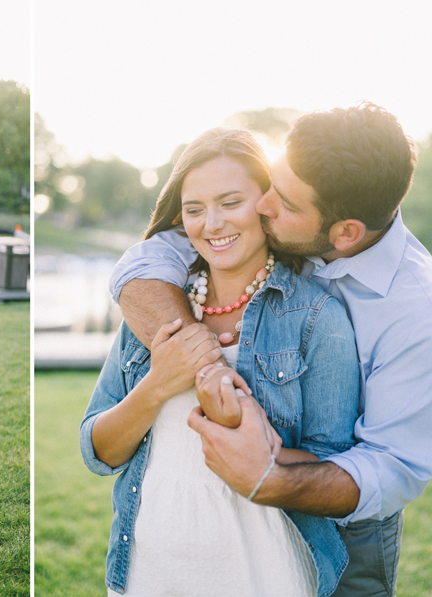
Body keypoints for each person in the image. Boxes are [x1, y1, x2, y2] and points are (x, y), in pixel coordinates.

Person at [109, 102, 432, 596]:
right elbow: (146, 262)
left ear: (345, 234)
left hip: (348, 520)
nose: (263, 205)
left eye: (283, 202)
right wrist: (205, 369)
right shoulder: (269, 228)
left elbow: (395, 466)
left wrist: (268, 478)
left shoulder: (416, 313)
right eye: (268, 188)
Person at [81, 128, 360, 597]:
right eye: (194, 209)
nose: (211, 224)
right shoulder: (151, 310)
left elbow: (336, 469)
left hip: (265, 574)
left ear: (267, 204)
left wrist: (257, 454)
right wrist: (158, 384)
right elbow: (98, 451)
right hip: (149, 570)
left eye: (230, 202)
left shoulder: (317, 318)